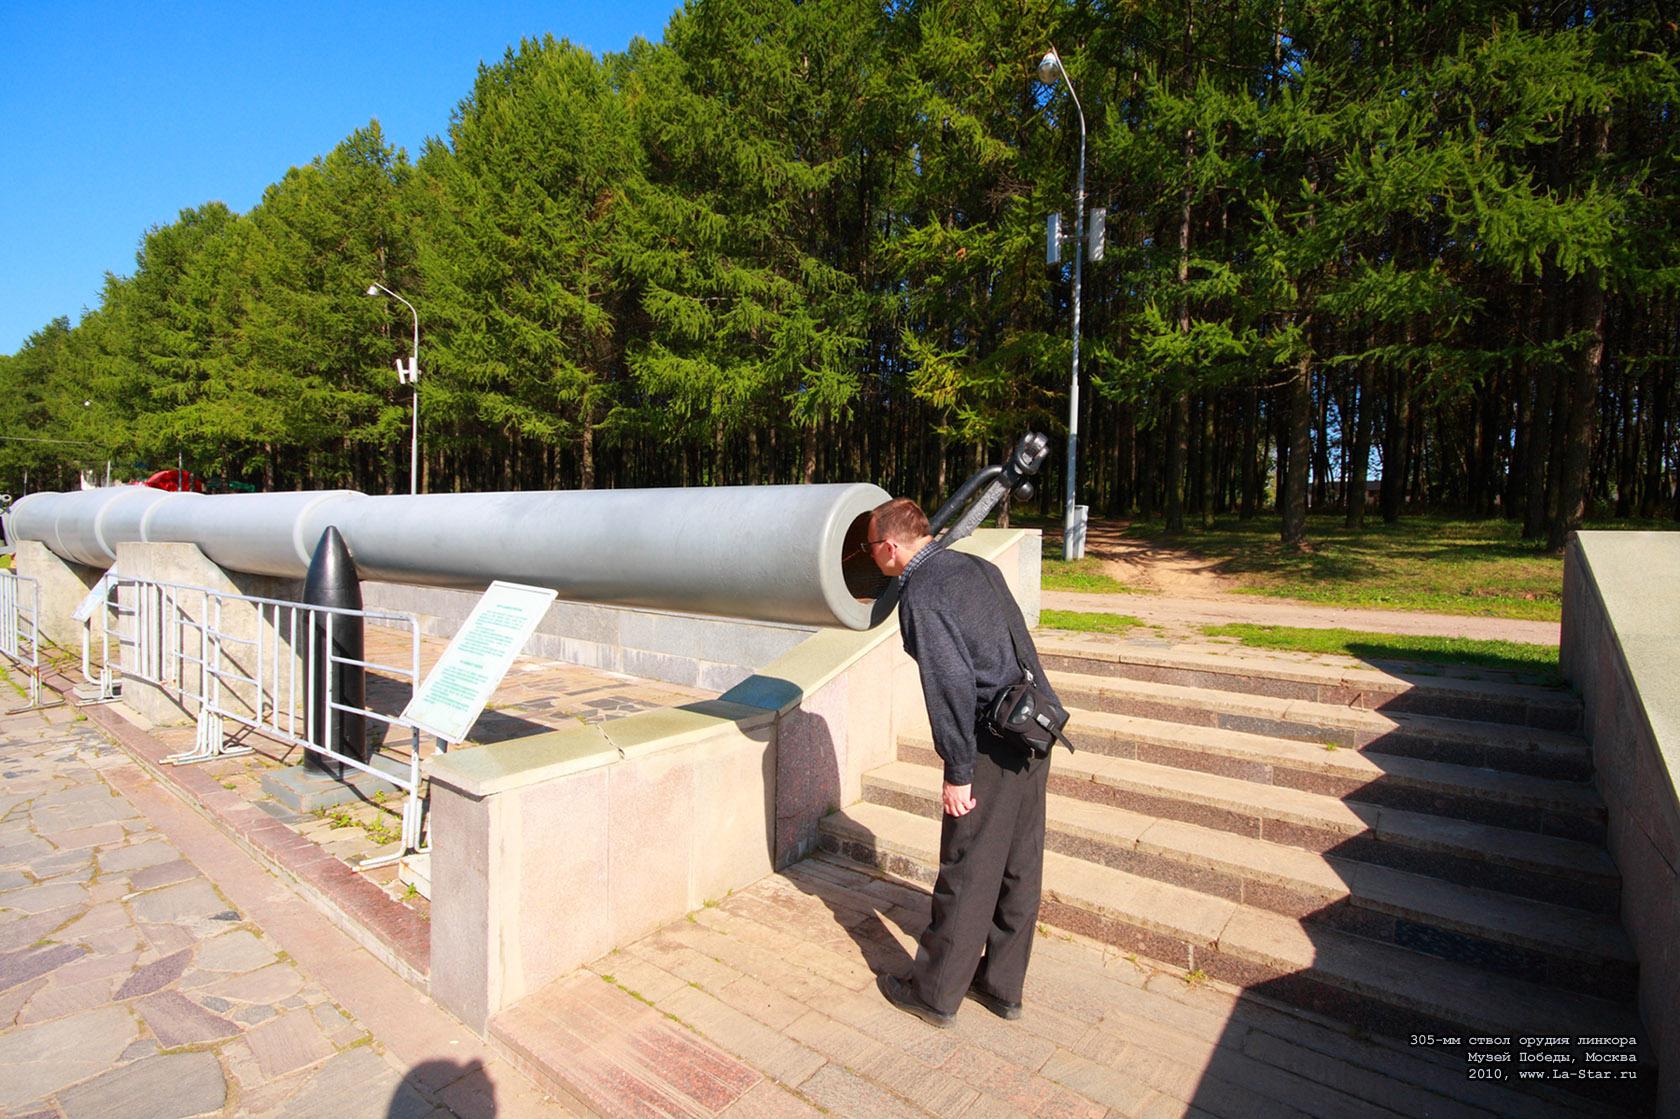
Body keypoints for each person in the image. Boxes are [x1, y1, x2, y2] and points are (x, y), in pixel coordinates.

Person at [864, 496, 1058, 1027]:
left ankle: (934, 994)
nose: (872, 559)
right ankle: (1001, 987)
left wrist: (958, 769)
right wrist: (1043, 716)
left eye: (871, 550)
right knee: (1020, 866)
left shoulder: (922, 592)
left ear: (889, 546)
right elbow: (1021, 642)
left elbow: (948, 684)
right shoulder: (974, 564)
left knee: (967, 869)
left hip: (987, 742)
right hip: (1030, 727)